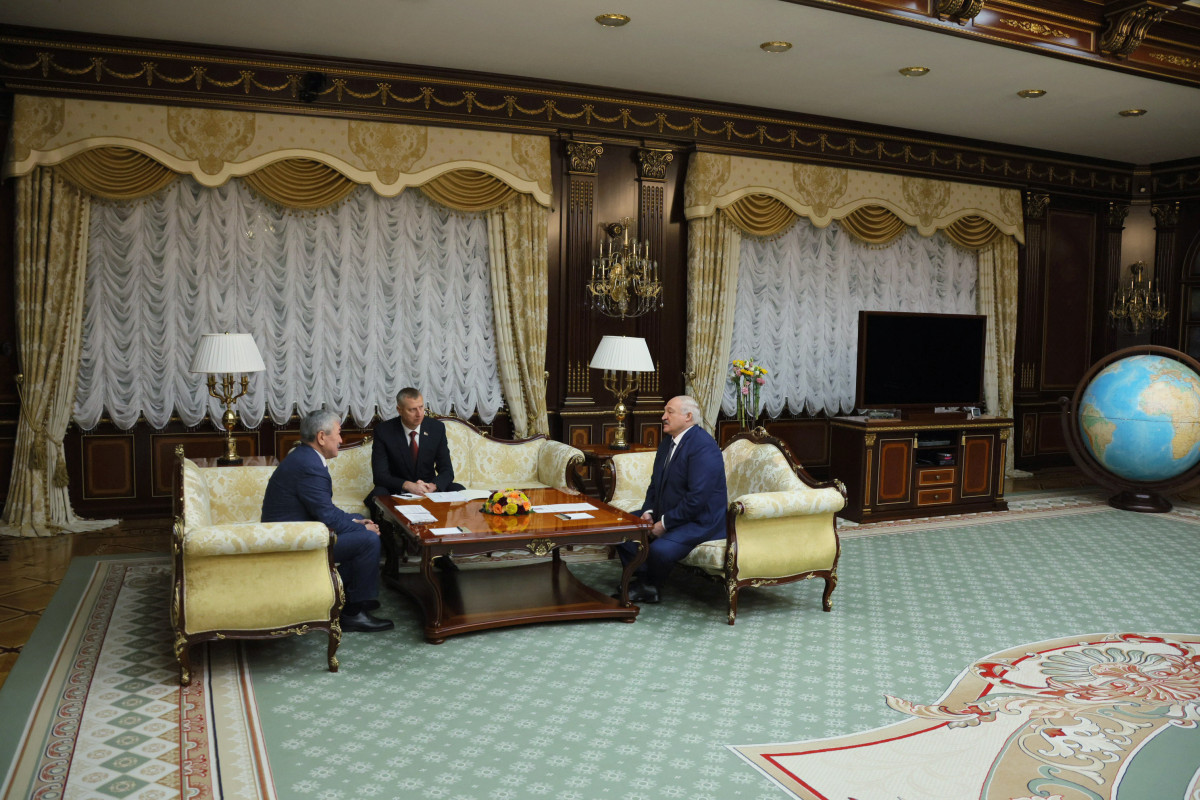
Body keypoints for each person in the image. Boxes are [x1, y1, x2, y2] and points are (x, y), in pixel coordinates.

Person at [262, 409, 393, 633]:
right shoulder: (309, 466)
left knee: (361, 521)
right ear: (322, 437)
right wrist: (362, 529)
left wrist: (356, 522)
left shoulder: (305, 457)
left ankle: (349, 596)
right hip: (294, 544)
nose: (341, 440)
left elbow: (324, 510)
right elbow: (326, 515)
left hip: (302, 531)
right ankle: (353, 613)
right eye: (339, 433)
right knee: (368, 540)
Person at [616, 395, 727, 604]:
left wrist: (664, 524)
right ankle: (644, 581)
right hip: (668, 512)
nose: (663, 416)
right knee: (621, 528)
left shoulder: (704, 446)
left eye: (670, 412)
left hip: (700, 521)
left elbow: (697, 499)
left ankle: (649, 585)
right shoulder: (668, 442)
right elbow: (655, 484)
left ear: (688, 417)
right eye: (665, 411)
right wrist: (648, 512)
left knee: (660, 550)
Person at [368, 388, 463, 501]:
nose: (419, 414)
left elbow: (447, 471)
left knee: (458, 489)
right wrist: (408, 485)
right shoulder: (384, 431)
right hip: (398, 490)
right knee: (378, 493)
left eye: (421, 407)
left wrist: (433, 486)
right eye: (412, 409)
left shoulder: (436, 428)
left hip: (428, 489)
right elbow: (380, 476)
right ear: (399, 410)